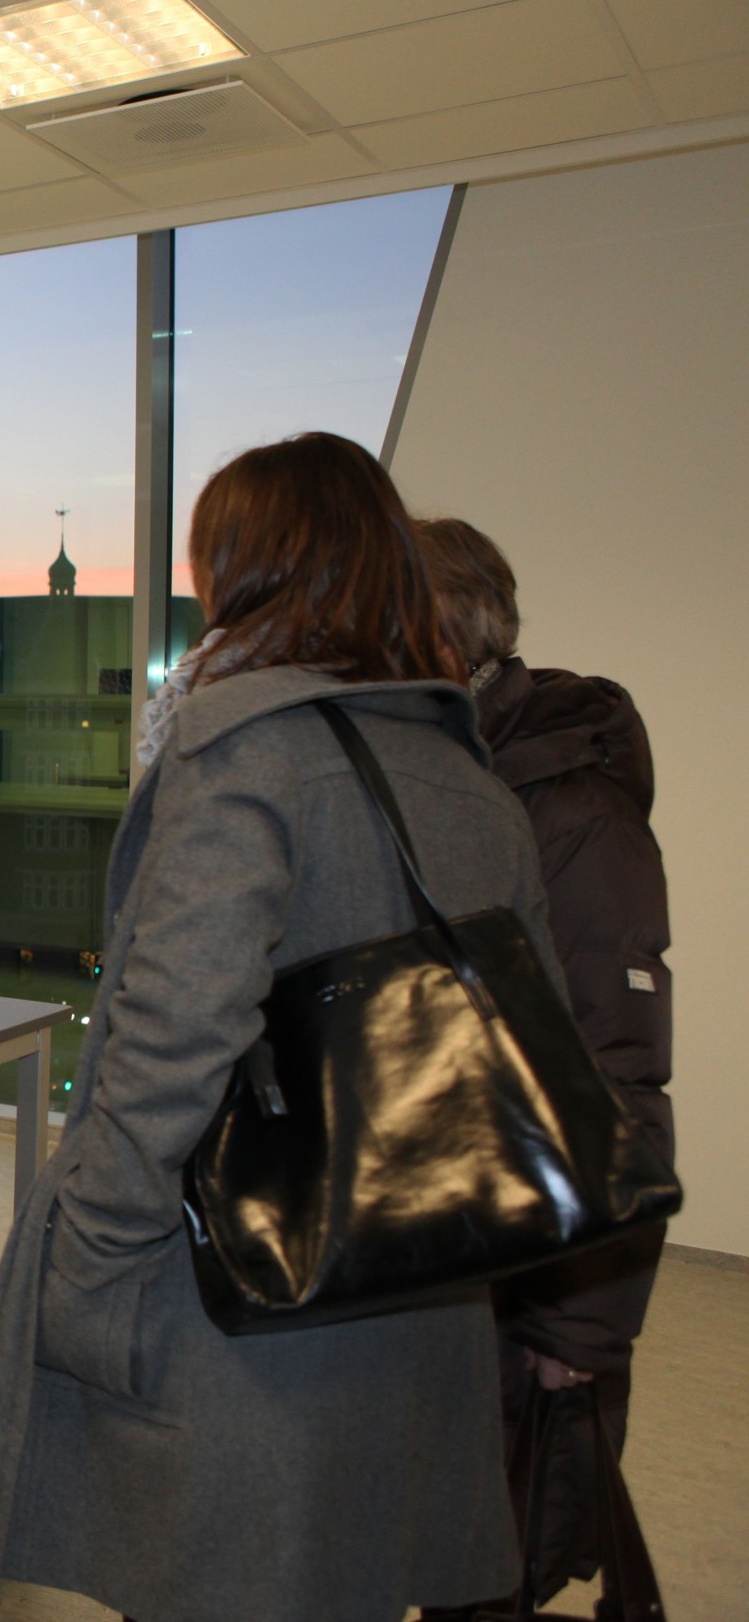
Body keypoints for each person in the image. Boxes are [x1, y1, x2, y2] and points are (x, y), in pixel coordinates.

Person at [0, 433, 544, 1622]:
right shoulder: (469, 778)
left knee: (223, 1570)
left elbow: (169, 1040)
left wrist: (87, 1272)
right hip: (417, 1287)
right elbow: (531, 1042)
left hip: (241, 1306)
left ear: (244, 568)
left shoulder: (247, 755)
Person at [415, 517, 673, 1617]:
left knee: (491, 1568)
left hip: (531, 1292)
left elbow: (621, 1075)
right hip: (442, 1265)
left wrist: (580, 1333)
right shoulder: (442, 785)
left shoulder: (570, 813)